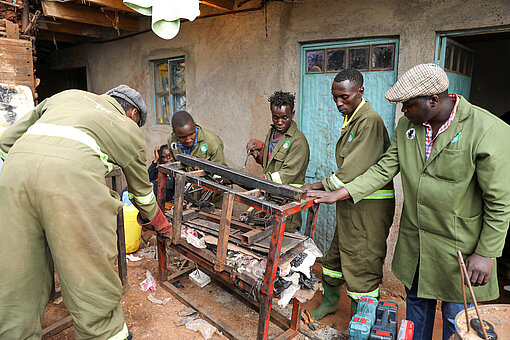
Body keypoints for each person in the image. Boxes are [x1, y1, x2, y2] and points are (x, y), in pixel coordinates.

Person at [307, 64, 510, 340]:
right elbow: (383, 169)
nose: (403, 111)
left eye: (408, 105)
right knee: (415, 314)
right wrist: (339, 193)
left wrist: (486, 253)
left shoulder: (487, 130)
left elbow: (499, 201)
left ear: (434, 101)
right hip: (417, 244)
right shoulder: (408, 127)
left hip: (460, 247)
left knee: (456, 320)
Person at [0, 85, 171, 340]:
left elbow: (6, 143)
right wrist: (159, 222)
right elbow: (141, 192)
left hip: (13, 179)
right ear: (133, 113)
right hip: (69, 185)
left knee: (17, 281)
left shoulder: (65, 96)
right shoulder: (127, 129)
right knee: (89, 278)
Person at [301, 69, 395, 323]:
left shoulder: (370, 121)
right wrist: (318, 185)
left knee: (361, 265)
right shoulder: (354, 119)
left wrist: (325, 187)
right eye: (335, 98)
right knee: (334, 259)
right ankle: (330, 304)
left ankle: (359, 323)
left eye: (344, 97)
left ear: (360, 92)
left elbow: (355, 167)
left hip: (368, 209)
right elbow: (348, 168)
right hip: (351, 205)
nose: (339, 103)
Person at [246, 91, 310, 232]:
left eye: (284, 118)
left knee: (283, 242)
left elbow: (285, 175)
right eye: (276, 118)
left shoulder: (298, 142)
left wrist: (256, 180)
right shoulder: (272, 132)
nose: (280, 122)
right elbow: (268, 164)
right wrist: (257, 155)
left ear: (292, 114)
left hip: (286, 203)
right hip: (268, 200)